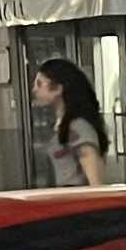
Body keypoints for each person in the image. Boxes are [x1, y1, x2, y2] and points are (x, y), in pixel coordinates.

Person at [32, 57, 109, 187]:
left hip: (77, 200)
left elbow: (95, 181)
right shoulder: (59, 127)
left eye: (39, 84)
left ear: (57, 89)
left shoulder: (79, 128)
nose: (34, 90)